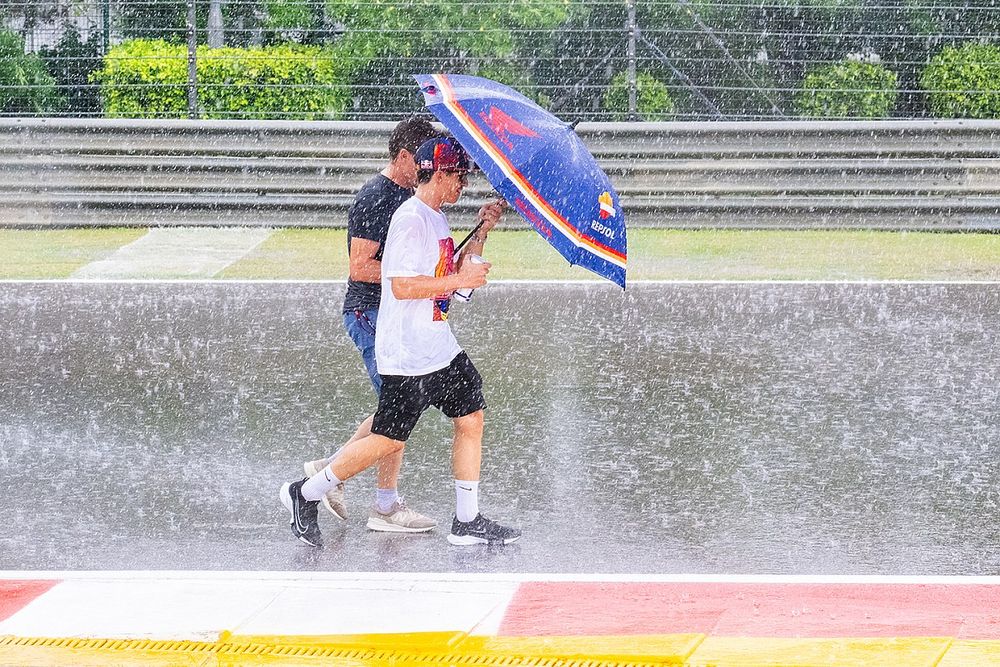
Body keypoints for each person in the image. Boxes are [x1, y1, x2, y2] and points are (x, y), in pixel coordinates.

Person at [281, 136, 518, 547]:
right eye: (459, 177)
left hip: (437, 346)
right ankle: (305, 493)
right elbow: (404, 286)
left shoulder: (436, 217)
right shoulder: (410, 219)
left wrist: (481, 231)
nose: (463, 185)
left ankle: (467, 520)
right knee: (387, 438)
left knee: (471, 416)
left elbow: (451, 282)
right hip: (408, 353)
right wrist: (460, 279)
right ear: (439, 174)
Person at [303, 116, 440, 533]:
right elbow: (360, 266)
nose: (430, 168)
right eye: (424, 160)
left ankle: (330, 470)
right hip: (369, 313)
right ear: (403, 157)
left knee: (397, 407)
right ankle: (384, 506)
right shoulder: (376, 197)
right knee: (399, 409)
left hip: (394, 317)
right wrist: (409, 276)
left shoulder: (411, 199)